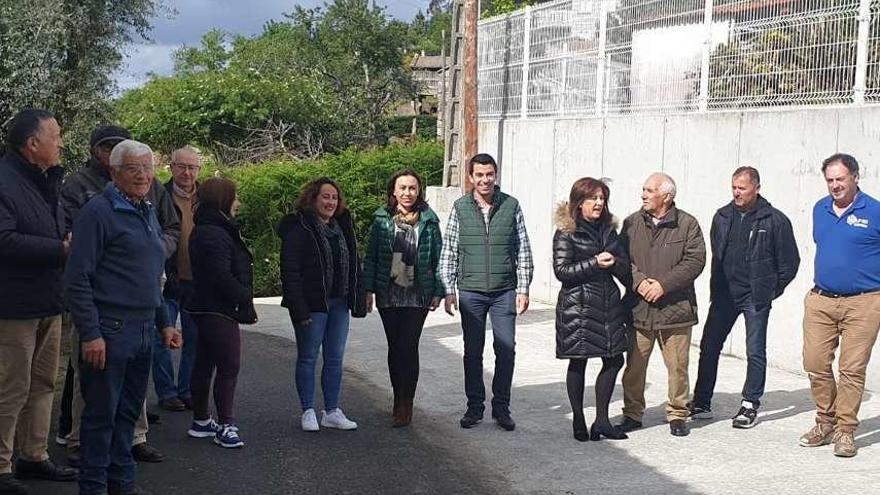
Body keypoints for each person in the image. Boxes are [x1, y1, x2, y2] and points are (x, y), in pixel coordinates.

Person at [64, 139, 181, 495]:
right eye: (134, 168)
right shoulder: (97, 213)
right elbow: (77, 278)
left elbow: (150, 276)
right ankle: (95, 487)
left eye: (148, 167)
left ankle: (122, 482)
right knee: (101, 417)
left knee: (128, 414)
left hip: (144, 328)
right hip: (110, 330)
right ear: (114, 172)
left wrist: (164, 322)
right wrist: (91, 333)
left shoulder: (146, 209)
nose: (144, 175)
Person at [0, 109, 77, 494]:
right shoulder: (4, 180)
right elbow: (4, 239)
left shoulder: (47, 180)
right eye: (56, 135)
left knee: (45, 382)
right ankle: (0, 466)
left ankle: (33, 456)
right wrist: (60, 250)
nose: (60, 142)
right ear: (33, 144)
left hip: (48, 298)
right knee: (11, 386)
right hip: (13, 306)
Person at [690, 166, 799, 428]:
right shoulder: (722, 216)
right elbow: (717, 252)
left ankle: (750, 404)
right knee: (709, 347)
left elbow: (790, 263)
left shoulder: (775, 220)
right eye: (734, 187)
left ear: (757, 188)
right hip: (725, 295)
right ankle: (702, 402)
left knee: (755, 351)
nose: (737, 193)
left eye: (742, 188)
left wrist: (769, 290)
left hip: (755, 297)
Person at [439, 153, 534, 432]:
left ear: (496, 175)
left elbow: (523, 248)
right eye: (479, 175)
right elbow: (450, 250)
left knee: (506, 350)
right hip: (471, 291)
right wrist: (449, 289)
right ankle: (475, 407)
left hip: (504, 290)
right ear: (471, 177)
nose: (485, 180)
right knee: (472, 351)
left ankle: (501, 408)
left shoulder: (511, 205)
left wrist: (524, 287)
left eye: (489, 174)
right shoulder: (460, 207)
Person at [799, 153, 880, 458]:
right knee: (815, 363)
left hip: (865, 303)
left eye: (840, 179)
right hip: (821, 300)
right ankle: (825, 420)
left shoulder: (874, 211)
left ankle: (844, 430)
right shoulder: (821, 209)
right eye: (830, 180)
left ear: (855, 177)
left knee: (851, 369)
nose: (835, 185)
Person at [617, 172, 706, 437]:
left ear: (666, 196)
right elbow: (621, 259)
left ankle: (678, 413)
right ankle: (632, 413)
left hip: (675, 309)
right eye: (643, 189)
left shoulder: (688, 224)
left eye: (649, 190)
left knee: (678, 366)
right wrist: (640, 282)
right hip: (639, 307)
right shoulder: (632, 223)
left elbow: (695, 261)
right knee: (634, 366)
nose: (643, 194)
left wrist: (663, 285)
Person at [279, 178, 366, 432]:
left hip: (339, 302)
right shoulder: (299, 228)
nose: (330, 202)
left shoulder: (342, 227)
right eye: (325, 197)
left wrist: (357, 298)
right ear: (313, 198)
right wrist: (299, 308)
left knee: (335, 358)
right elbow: (290, 272)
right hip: (312, 304)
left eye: (334, 198)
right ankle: (307, 410)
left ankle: (332, 410)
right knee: (307, 357)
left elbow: (354, 264)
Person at [363, 169, 444, 427]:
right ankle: (397, 398)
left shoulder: (429, 221)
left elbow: (438, 257)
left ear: (419, 191)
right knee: (394, 347)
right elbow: (372, 257)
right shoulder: (381, 220)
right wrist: (368, 290)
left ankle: (406, 403)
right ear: (393, 192)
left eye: (412, 188)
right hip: (389, 292)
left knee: (409, 346)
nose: (407, 193)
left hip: (417, 293)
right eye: (402, 188)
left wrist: (438, 290)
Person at [553, 178, 631, 442]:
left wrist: (615, 263)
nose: (599, 203)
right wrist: (595, 262)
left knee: (614, 359)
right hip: (579, 306)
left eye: (602, 198)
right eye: (593, 198)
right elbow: (562, 272)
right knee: (579, 359)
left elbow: (623, 267)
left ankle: (602, 420)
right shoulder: (566, 232)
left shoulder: (610, 231)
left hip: (608, 304)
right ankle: (578, 417)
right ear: (579, 202)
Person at [185, 177, 256, 448]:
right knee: (229, 365)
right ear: (223, 199)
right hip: (218, 308)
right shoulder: (214, 232)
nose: (237, 203)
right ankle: (226, 425)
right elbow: (220, 275)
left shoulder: (207, 227)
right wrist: (242, 295)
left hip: (204, 305)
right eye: (234, 197)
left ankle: (202, 420)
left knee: (204, 362)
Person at [154, 146, 202, 413]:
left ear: (199, 170)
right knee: (162, 336)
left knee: (194, 339)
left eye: (192, 167)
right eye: (181, 166)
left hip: (197, 280)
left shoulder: (207, 197)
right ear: (171, 167)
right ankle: (167, 392)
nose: (187, 172)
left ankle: (186, 390)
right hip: (168, 279)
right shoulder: (159, 195)